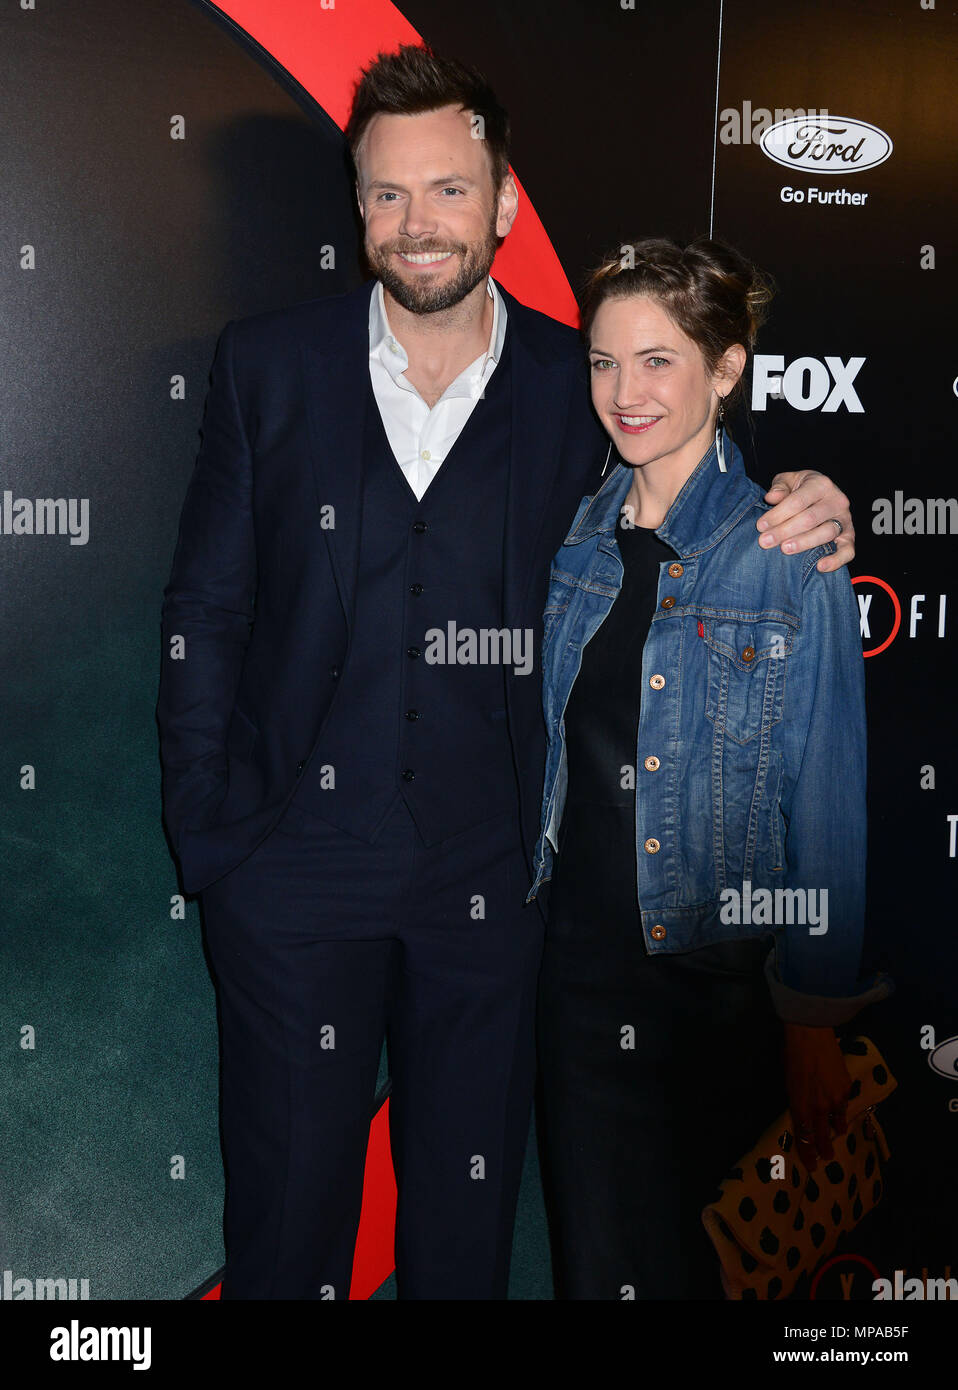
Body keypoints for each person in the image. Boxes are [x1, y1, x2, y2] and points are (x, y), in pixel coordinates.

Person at [156, 44, 858, 1301]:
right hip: (288, 880)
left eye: (447, 190)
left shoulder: (572, 380)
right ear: (356, 205)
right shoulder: (265, 367)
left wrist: (806, 500)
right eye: (386, 194)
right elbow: (205, 610)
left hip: (490, 892)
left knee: (461, 1251)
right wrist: (212, 833)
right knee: (283, 1233)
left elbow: (680, 469)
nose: (417, 224)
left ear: (505, 200)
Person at [529, 236, 890, 1301]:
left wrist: (815, 1017)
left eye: (657, 360)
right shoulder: (578, 544)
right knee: (600, 1275)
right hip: (577, 989)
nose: (624, 392)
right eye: (603, 361)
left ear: (727, 367)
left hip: (718, 993)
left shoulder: (786, 546)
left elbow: (826, 796)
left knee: (712, 1275)